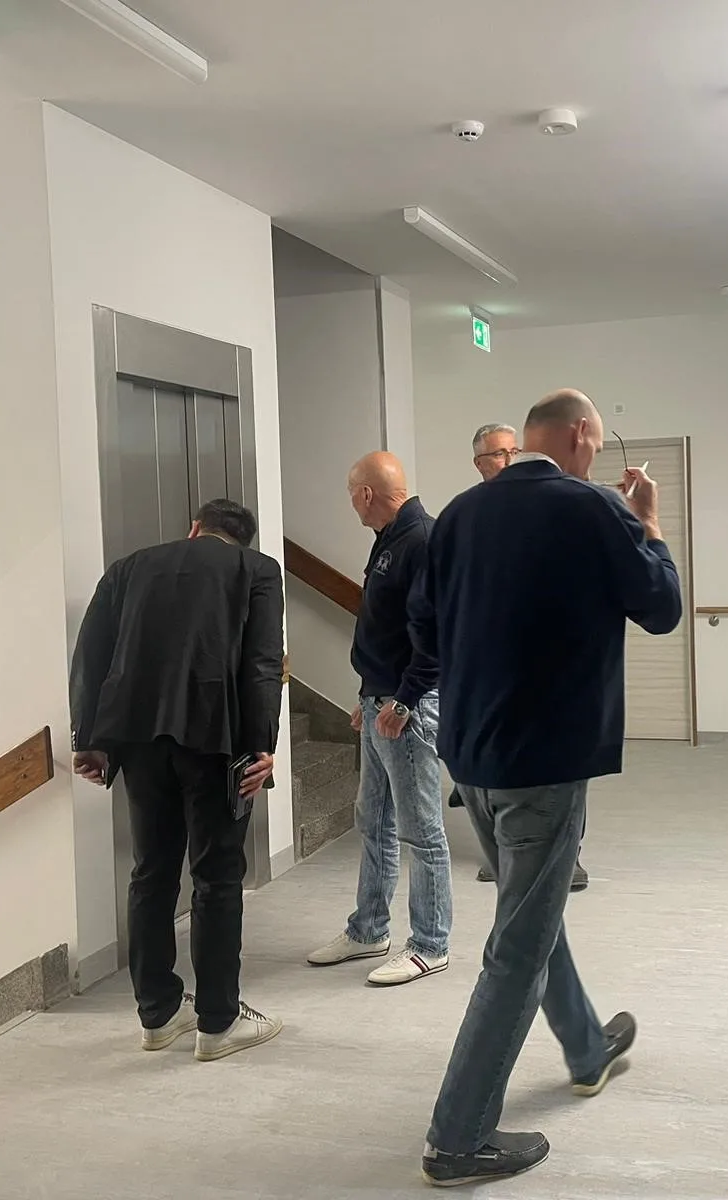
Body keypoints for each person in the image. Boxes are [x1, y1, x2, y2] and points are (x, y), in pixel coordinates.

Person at [416, 389, 683, 1187]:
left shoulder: (458, 515)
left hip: (472, 755)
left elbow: (424, 626)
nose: (594, 454)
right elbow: (661, 607)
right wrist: (649, 524)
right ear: (578, 435)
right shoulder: (592, 508)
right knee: (518, 949)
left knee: (530, 913)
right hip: (544, 761)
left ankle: (586, 1048)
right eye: (593, 442)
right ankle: (457, 1139)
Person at [69, 498, 284, 1063]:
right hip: (216, 740)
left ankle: (158, 1015)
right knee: (216, 879)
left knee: (152, 873)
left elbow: (90, 654)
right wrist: (262, 744)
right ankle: (218, 1022)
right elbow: (263, 662)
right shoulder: (257, 570)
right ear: (242, 541)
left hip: (139, 743)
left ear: (194, 529)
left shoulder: (128, 568)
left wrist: (88, 738)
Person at [305, 451, 452, 987]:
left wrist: (404, 701)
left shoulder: (422, 539)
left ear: (366, 493)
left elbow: (435, 635)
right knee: (374, 820)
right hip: (381, 703)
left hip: (406, 709)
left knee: (422, 830)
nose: (352, 504)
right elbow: (387, 630)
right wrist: (369, 696)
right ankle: (368, 929)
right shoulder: (390, 538)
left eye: (352, 494)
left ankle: (430, 944)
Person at [457, 421, 589, 893]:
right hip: (488, 675)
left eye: (514, 451)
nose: (509, 459)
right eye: (499, 453)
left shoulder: (546, 507)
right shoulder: (469, 517)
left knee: (557, 773)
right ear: (479, 464)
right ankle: (502, 855)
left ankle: (568, 856)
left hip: (545, 674)